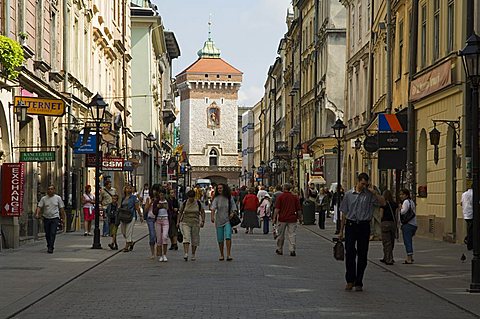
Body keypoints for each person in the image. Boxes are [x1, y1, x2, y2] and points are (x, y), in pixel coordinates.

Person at [338, 173, 385, 291]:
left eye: (366, 184)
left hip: (364, 226)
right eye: (362, 183)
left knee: (363, 254)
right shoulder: (348, 195)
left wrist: (374, 192)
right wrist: (341, 231)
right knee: (349, 252)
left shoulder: (369, 195)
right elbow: (344, 213)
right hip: (351, 225)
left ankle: (359, 281)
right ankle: (350, 280)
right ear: (357, 181)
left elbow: (383, 203)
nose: (364, 186)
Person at [273, 183, 302, 256]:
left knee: (281, 235)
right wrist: (300, 217)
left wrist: (274, 218)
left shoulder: (281, 197)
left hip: (282, 218)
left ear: (284, 188)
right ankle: (292, 249)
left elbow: (277, 209)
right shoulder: (295, 197)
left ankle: (279, 249)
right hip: (292, 218)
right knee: (292, 234)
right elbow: (298, 209)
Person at [35, 185, 65, 253]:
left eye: (51, 189)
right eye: (49, 189)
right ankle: (49, 244)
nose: (50, 190)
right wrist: (37, 214)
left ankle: (51, 247)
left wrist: (63, 218)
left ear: (54, 190)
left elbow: (61, 208)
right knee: (47, 233)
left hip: (55, 217)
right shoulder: (44, 198)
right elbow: (39, 207)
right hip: (46, 217)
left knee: (53, 232)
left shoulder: (58, 198)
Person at [210, 183, 237, 261]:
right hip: (219, 220)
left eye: (221, 188)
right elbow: (213, 208)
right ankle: (221, 254)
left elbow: (233, 206)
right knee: (220, 238)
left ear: (224, 189)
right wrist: (212, 217)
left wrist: (232, 213)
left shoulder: (229, 197)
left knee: (228, 236)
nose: (219, 190)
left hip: (227, 219)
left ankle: (228, 254)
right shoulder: (216, 198)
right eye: (218, 188)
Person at [177, 190, 206, 261]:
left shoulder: (198, 203)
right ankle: (186, 253)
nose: (191, 199)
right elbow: (180, 212)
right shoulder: (185, 203)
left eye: (192, 198)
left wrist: (203, 221)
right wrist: (178, 221)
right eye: (190, 198)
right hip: (185, 222)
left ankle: (193, 254)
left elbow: (202, 212)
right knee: (186, 237)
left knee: (195, 238)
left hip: (195, 222)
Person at [120, 184, 141, 252]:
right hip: (123, 216)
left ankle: (126, 246)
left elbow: (137, 207)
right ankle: (131, 242)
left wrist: (141, 216)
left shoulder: (134, 197)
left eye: (130, 188)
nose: (129, 190)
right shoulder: (123, 198)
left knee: (128, 231)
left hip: (131, 216)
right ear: (125, 189)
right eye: (127, 188)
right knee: (123, 232)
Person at [399, 188, 417, 264]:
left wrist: (400, 209)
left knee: (407, 241)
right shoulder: (411, 202)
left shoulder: (406, 202)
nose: (401, 196)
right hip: (413, 224)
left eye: (402, 194)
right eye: (400, 194)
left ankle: (409, 258)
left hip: (407, 224)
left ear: (406, 195)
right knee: (409, 240)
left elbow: (403, 212)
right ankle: (411, 257)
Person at [379, 189, 397, 265]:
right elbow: (396, 215)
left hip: (385, 223)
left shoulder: (383, 204)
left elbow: (381, 215)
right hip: (392, 224)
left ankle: (388, 259)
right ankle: (387, 256)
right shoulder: (394, 204)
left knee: (386, 242)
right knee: (391, 241)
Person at [144, 184, 160, 258]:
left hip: (158, 218)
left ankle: (158, 250)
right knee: (152, 235)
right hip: (150, 218)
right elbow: (146, 209)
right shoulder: (148, 198)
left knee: (158, 235)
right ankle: (152, 252)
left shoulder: (160, 199)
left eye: (156, 190)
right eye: (154, 190)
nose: (154, 192)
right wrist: (151, 202)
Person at [154, 190, 170, 262]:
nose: (162, 196)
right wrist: (158, 207)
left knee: (165, 237)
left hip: (165, 219)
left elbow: (171, 210)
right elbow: (154, 212)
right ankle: (160, 255)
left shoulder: (167, 201)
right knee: (159, 239)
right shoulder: (156, 202)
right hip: (158, 220)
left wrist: (168, 207)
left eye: (163, 194)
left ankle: (165, 254)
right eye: (160, 195)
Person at [462, 186, 473, 251]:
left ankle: (468, 241)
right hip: (472, 214)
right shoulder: (473, 194)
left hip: (465, 214)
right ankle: (469, 243)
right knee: (471, 230)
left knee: (469, 228)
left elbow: (461, 203)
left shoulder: (464, 194)